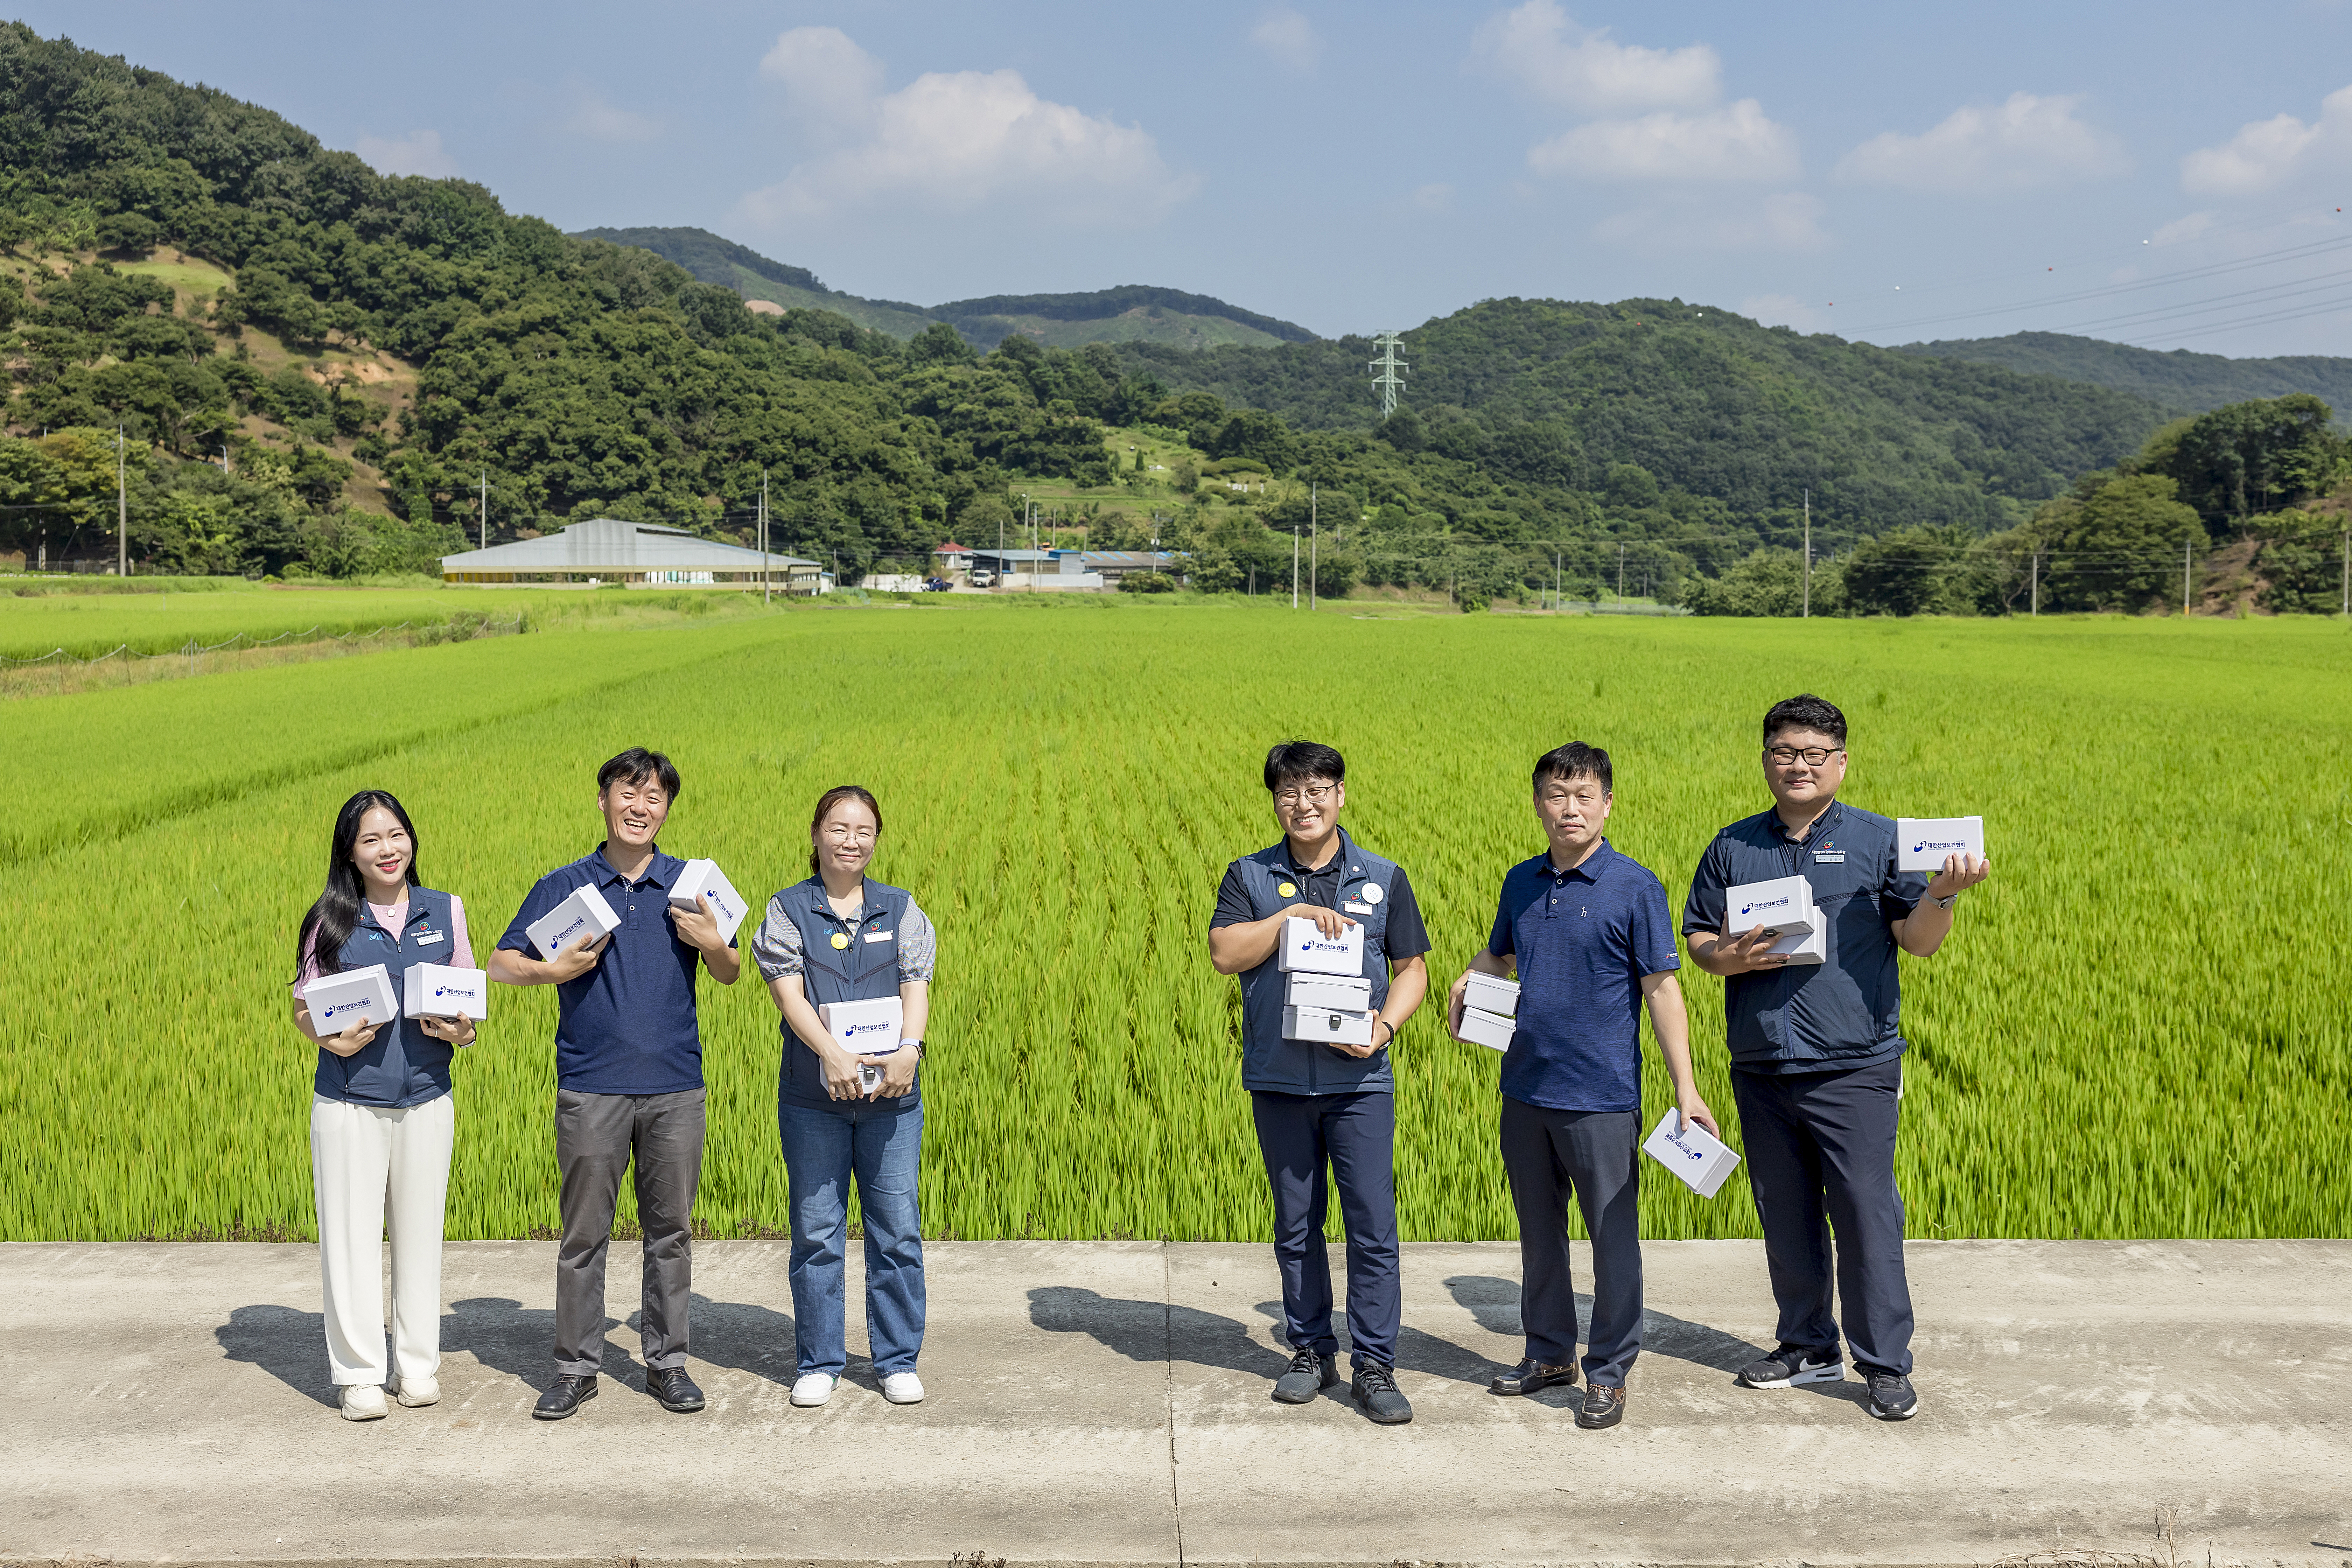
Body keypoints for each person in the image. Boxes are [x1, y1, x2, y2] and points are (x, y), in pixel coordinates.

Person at [1681, 694, 1989, 1423]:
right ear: (1765, 759)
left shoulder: (1883, 841)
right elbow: (1698, 940)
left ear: (1841, 763)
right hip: (1762, 1061)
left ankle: (1883, 1362)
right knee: (1784, 1213)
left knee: (1864, 1213)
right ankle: (1808, 1345)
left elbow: (1917, 941)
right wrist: (1727, 954)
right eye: (1785, 752)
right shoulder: (1734, 845)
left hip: (1854, 1062)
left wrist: (1941, 896)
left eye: (1814, 754)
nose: (1798, 765)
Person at [1447, 743, 1716, 1432]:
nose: (1570, 808)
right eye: (1556, 795)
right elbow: (1500, 952)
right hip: (1526, 1090)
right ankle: (1548, 1354)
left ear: (1608, 802)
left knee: (1612, 1241)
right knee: (1541, 1237)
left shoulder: (1635, 886)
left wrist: (1686, 1087)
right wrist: (1470, 981)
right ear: (1538, 802)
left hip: (1601, 1097)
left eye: (1585, 794)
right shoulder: (1522, 880)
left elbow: (1662, 988)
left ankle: (1609, 1370)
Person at [489, 747, 740, 1421]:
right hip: (592, 1087)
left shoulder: (692, 883)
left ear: (667, 809)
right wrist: (554, 971)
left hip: (675, 1087)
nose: (641, 807)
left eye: (654, 797)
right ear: (603, 801)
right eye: (628, 794)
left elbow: (730, 972)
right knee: (583, 1235)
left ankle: (668, 1364)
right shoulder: (566, 887)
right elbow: (500, 963)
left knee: (671, 1232)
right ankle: (576, 1369)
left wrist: (713, 941)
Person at [1208, 741, 1430, 1424]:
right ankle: (1309, 1349)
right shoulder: (1250, 875)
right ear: (1276, 800)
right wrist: (1289, 918)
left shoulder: (1383, 878)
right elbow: (1224, 952)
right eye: (1289, 792)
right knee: (1297, 1224)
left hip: (1359, 1080)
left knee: (1371, 1224)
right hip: (1278, 1080)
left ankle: (1374, 1363)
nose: (1302, 804)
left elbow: (1412, 968)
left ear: (1340, 795)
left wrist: (1384, 1028)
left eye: (1316, 790)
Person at [289, 790, 478, 1421]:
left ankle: (419, 1367)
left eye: (396, 835)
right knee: (350, 1238)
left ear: (412, 840)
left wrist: (461, 1032)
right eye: (371, 840)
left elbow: (467, 1005)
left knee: (422, 1236)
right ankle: (361, 1375)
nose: (387, 849)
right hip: (349, 1103)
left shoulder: (445, 911)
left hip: (427, 1097)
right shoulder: (331, 920)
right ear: (350, 852)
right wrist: (328, 1036)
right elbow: (302, 1008)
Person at [749, 785, 936, 1409]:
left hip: (892, 1100)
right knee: (817, 1231)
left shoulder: (901, 910)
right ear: (816, 835)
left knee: (897, 1230)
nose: (851, 841)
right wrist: (832, 1054)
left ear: (876, 839)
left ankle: (896, 1359)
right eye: (839, 828)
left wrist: (910, 1049)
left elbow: (916, 983)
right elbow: (788, 993)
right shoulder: (786, 911)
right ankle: (820, 1361)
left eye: (863, 830)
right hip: (814, 1100)